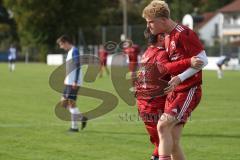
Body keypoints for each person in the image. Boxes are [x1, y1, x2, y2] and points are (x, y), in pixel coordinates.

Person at [142, 1, 208, 160]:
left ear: (163, 20)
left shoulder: (183, 33)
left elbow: (203, 60)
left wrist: (180, 77)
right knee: (173, 140)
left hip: (189, 90)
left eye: (151, 22)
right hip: (176, 91)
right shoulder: (167, 38)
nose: (149, 26)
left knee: (162, 126)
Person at [56, 35, 87, 132]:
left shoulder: (75, 51)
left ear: (66, 42)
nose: (61, 47)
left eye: (61, 44)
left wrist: (75, 81)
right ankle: (81, 117)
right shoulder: (70, 52)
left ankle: (74, 127)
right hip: (68, 82)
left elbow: (78, 66)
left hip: (73, 82)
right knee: (63, 103)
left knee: (71, 102)